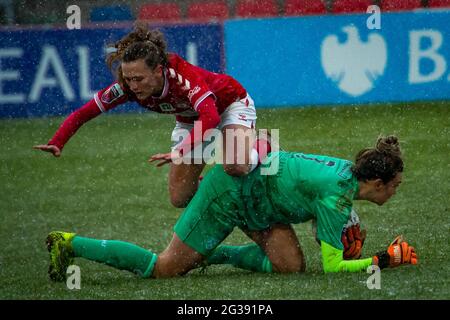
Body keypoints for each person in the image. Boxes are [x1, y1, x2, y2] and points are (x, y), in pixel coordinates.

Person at [46, 135, 418, 282]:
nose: (397, 193)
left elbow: (310, 191)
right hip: (230, 193)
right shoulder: (336, 198)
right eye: (396, 186)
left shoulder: (344, 177)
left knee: (290, 267)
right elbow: (334, 267)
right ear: (377, 183)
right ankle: (70, 243)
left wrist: (344, 226)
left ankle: (214, 254)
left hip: (262, 202)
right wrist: (383, 260)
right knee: (163, 270)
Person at [34, 22, 269, 208]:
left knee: (235, 166)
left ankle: (264, 144)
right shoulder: (126, 87)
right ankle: (208, 182)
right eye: (128, 78)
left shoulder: (181, 77)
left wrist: (180, 150)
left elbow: (211, 118)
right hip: (191, 119)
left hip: (230, 105)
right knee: (180, 198)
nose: (133, 85)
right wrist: (58, 142)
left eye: (139, 79)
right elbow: (83, 114)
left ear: (158, 71)